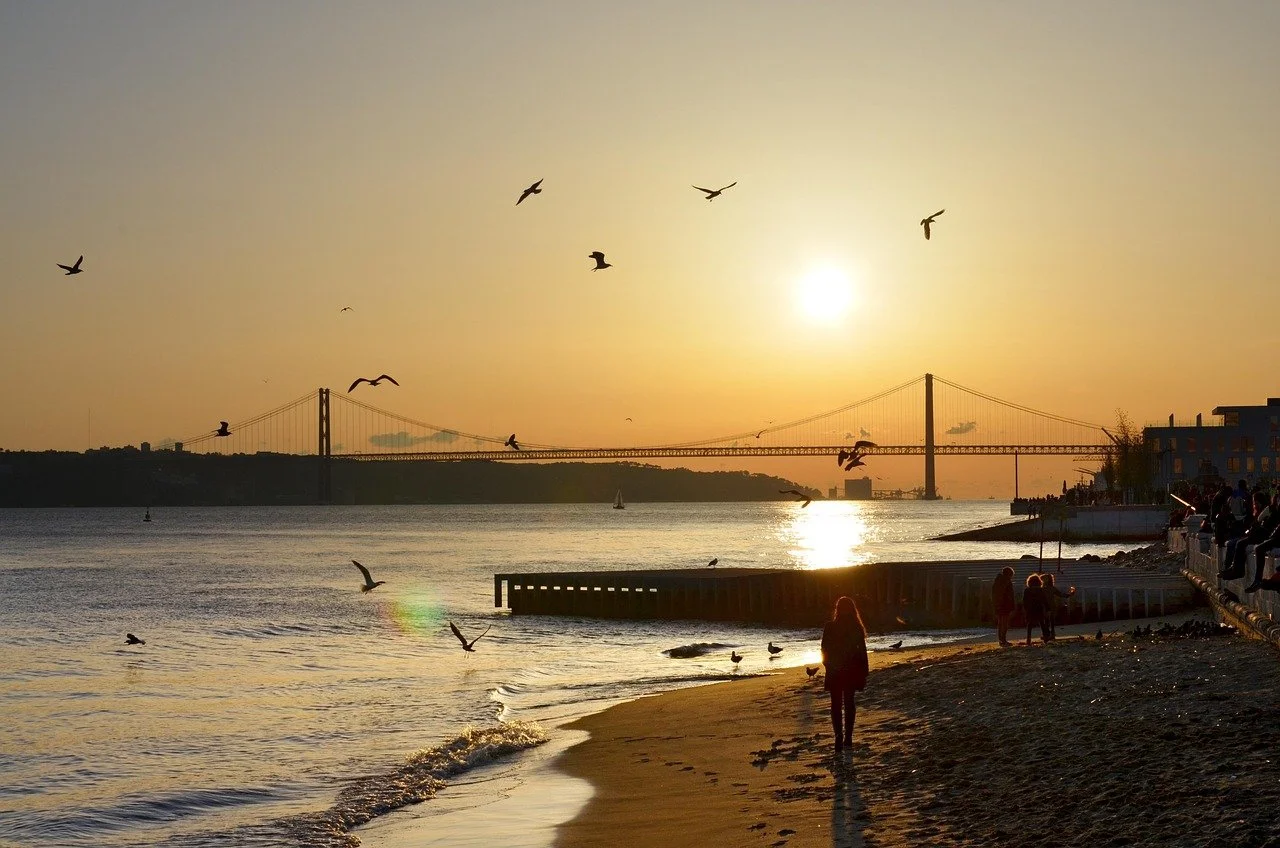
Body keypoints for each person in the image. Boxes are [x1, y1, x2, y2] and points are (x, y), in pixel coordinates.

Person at [821, 595, 870, 753]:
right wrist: (864, 671)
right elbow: (862, 652)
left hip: (835, 670)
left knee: (836, 704)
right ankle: (848, 737)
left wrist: (828, 665)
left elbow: (824, 649)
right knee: (849, 703)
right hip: (851, 670)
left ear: (838, 610)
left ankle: (838, 736)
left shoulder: (830, 627)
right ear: (852, 610)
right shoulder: (856, 627)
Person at [1041, 572, 1076, 640]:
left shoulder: (1050, 588)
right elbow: (1061, 594)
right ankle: (1048, 634)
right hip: (1046, 606)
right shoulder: (1047, 588)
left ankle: (1050, 634)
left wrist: (1070, 594)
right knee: (1047, 620)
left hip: (1050, 606)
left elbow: (1061, 594)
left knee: (1050, 620)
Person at [992, 566, 1015, 647]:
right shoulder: (1006, 581)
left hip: (999, 604)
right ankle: (1003, 640)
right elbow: (1008, 595)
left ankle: (1001, 639)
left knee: (1000, 622)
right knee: (1004, 622)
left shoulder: (998, 581)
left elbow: (995, 594)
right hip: (1004, 604)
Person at [1022, 574, 1048, 646]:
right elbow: (1044, 599)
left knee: (1029, 624)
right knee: (1042, 623)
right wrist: (1047, 608)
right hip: (1039, 608)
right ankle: (1045, 638)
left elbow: (1024, 601)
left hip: (1030, 608)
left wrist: (1025, 609)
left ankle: (1028, 639)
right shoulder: (1040, 590)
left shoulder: (1027, 590)